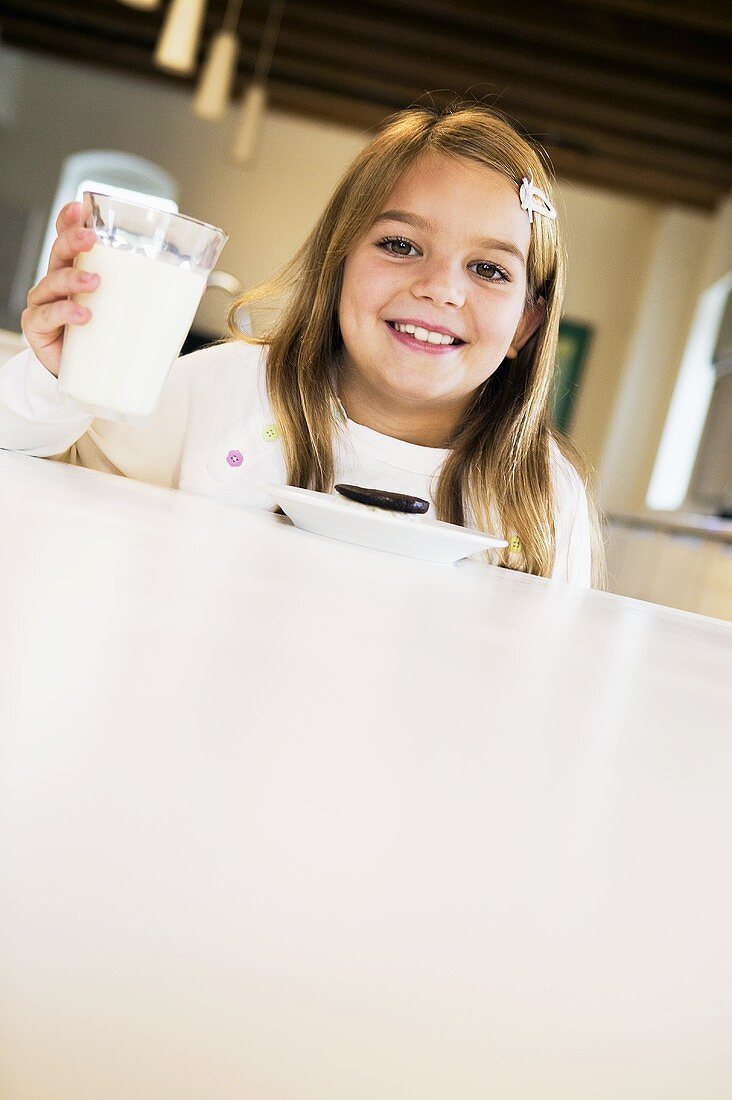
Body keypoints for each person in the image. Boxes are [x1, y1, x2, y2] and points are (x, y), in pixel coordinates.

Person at [0, 102, 604, 586]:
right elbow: (28, 500)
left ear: (526, 324)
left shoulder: (543, 495)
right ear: (337, 264)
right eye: (400, 245)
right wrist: (58, 382)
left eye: (490, 270)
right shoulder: (219, 392)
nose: (440, 290)